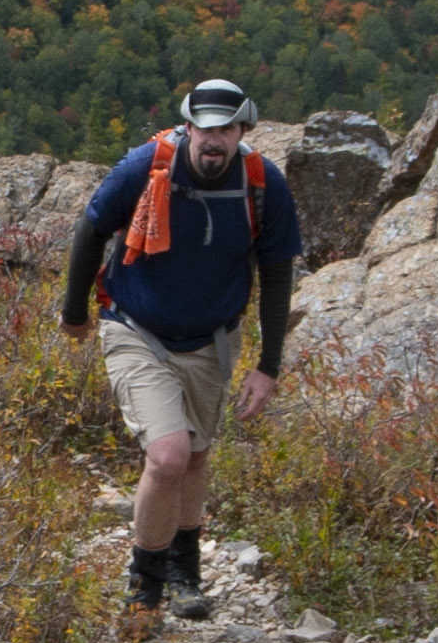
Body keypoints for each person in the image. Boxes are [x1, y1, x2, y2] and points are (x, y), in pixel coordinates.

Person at [57, 78, 295, 613]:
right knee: (168, 456)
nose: (214, 140)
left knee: (196, 458)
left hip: (212, 337)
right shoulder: (145, 167)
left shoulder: (262, 183)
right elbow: (90, 230)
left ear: (243, 131)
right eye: (204, 129)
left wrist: (268, 366)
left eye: (227, 130)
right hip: (135, 327)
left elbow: (278, 272)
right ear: (187, 127)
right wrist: (75, 313)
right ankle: (146, 587)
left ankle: (186, 571)